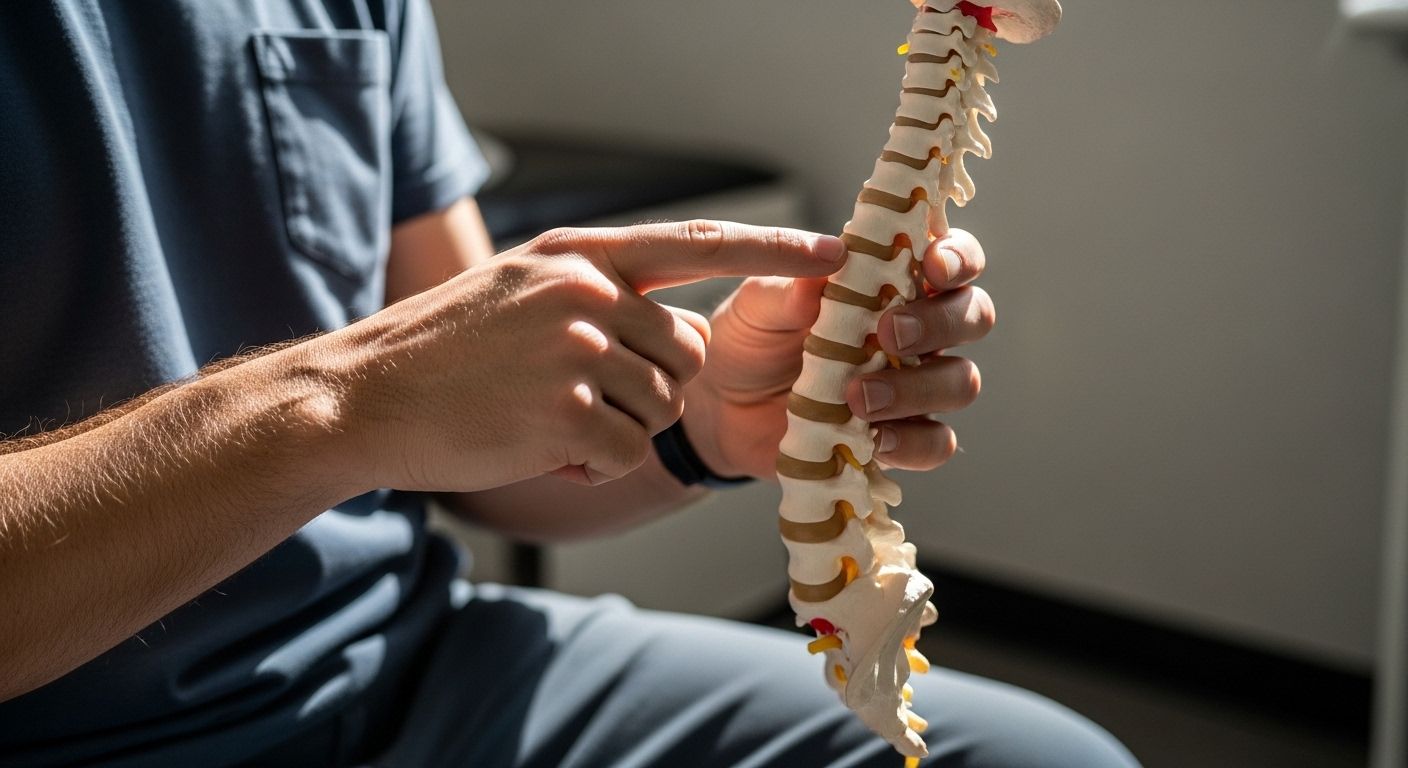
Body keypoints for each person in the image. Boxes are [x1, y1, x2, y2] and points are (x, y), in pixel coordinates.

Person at [0, 1, 1139, 766]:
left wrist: (712, 421)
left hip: (402, 671)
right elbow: (381, 396)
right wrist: (340, 408)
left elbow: (489, 468)